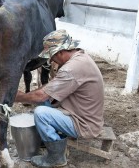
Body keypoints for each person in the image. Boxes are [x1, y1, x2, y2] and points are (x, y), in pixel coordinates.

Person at [15, 29, 104, 167]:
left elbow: (41, 95)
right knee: (45, 100)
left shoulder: (71, 69)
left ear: (61, 52)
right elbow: (49, 88)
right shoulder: (80, 57)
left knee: (41, 114)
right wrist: (30, 95)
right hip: (84, 114)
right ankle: (48, 140)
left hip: (83, 124)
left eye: (52, 56)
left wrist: (19, 97)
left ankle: (56, 158)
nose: (51, 60)